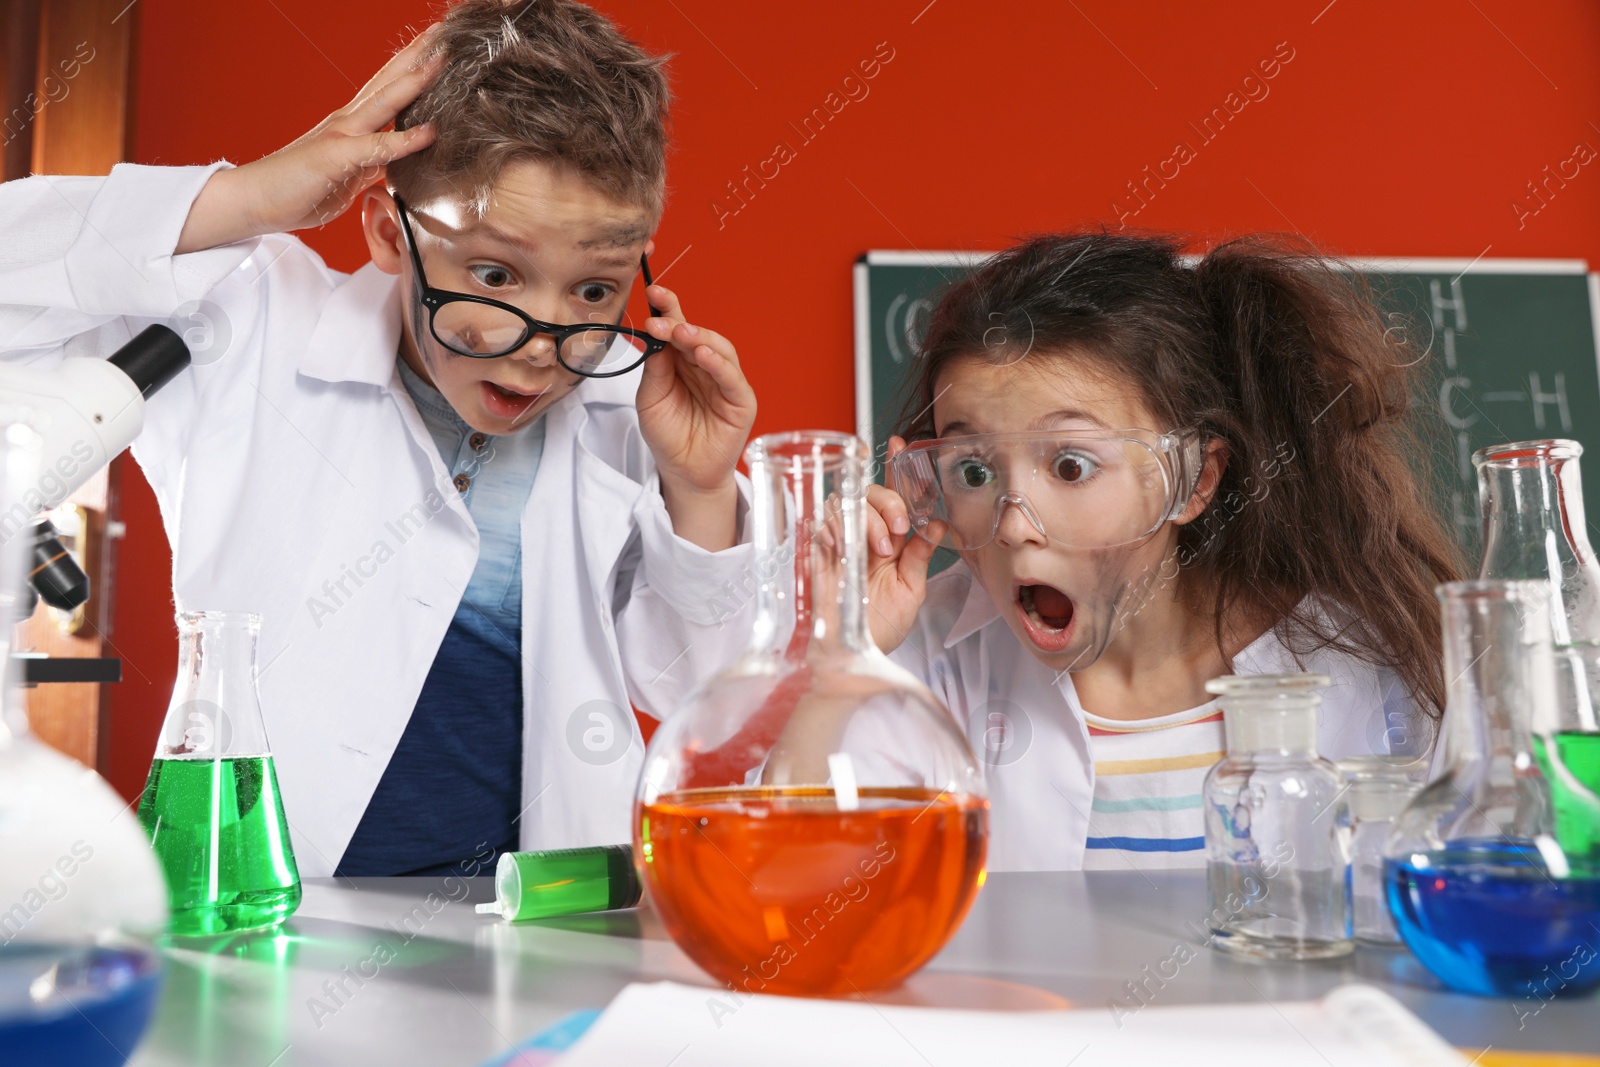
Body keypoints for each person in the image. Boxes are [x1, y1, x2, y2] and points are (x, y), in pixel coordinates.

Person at [0, 0, 758, 877]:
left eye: (594, 289)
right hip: (276, 916)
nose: (547, 338)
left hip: (545, 920)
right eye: (494, 273)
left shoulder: (630, 403)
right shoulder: (255, 322)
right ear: (389, 233)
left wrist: (701, 492)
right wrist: (245, 196)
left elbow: (694, 688)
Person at [861, 232, 1462, 872]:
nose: (1013, 528)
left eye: (1070, 465)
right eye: (973, 472)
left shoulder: (1365, 670)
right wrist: (839, 652)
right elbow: (799, 891)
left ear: (1194, 480)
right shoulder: (909, 650)